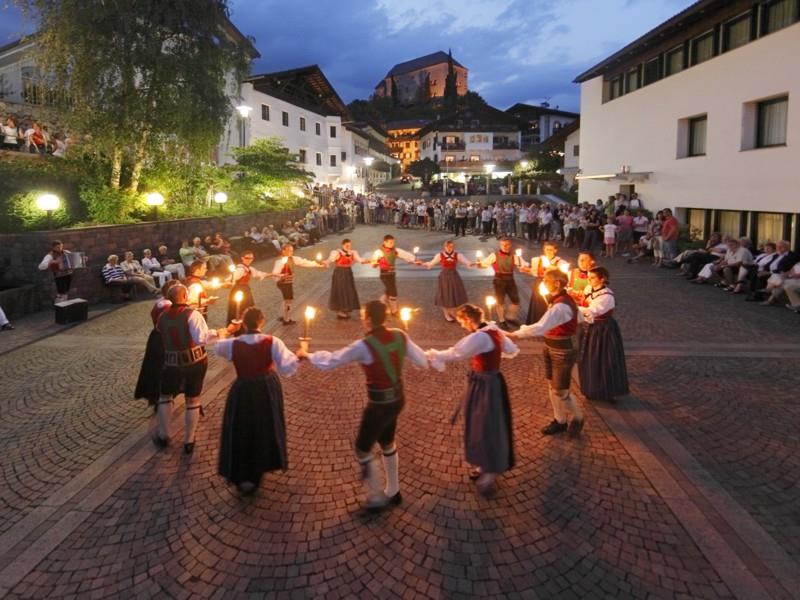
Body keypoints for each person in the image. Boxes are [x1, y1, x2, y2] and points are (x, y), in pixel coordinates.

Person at [299, 300, 428, 511]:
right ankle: (393, 491)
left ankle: (378, 497)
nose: (361, 319)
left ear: (368, 320)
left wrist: (307, 355)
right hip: (397, 399)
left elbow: (332, 360)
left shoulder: (364, 346)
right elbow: (422, 361)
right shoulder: (400, 335)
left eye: (362, 317)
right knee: (387, 442)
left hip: (378, 405)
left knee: (362, 449)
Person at [427, 304, 519, 496]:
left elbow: (455, 353)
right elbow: (510, 349)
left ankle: (491, 470)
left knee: (486, 425)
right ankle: (484, 465)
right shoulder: (493, 329)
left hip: (486, 385)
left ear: (469, 319)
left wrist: (432, 354)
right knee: (479, 423)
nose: (462, 326)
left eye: (462, 322)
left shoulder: (480, 336)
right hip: (490, 382)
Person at [216, 307, 299, 495]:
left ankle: (244, 473)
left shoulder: (233, 344)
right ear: (262, 321)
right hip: (266, 389)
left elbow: (218, 348)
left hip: (243, 388)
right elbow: (287, 367)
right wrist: (300, 355)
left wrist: (225, 332)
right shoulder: (273, 342)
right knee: (265, 426)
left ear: (244, 323)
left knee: (242, 427)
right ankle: (261, 465)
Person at [153, 284, 237, 453]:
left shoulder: (162, 316)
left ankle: (164, 434)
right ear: (184, 297)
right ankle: (188, 440)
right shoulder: (193, 314)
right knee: (192, 399)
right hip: (194, 362)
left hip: (170, 363)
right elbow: (201, 338)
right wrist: (222, 332)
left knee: (165, 396)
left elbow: (159, 330)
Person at [508, 270, 584, 436]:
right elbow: (579, 317)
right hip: (551, 346)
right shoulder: (558, 302)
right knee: (552, 386)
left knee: (560, 390)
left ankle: (578, 417)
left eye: (546, 280)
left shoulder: (561, 306)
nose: (543, 283)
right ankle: (560, 420)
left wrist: (515, 335)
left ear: (557, 283)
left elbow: (541, 327)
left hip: (563, 350)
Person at [578, 267, 629, 403]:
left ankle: (608, 391)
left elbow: (591, 311)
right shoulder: (589, 289)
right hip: (591, 328)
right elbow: (584, 302)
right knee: (590, 359)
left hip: (604, 330)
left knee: (606, 359)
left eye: (593, 277)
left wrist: (571, 306)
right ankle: (591, 388)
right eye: (589, 277)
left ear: (602, 279)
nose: (589, 280)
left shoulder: (606, 296)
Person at [134, 280, 179, 410]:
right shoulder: (166, 306)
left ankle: (160, 396)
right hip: (163, 339)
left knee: (155, 367)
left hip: (156, 338)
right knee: (161, 368)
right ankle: (162, 397)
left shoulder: (161, 303)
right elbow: (169, 323)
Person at [475, 236, 523, 330]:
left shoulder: (514, 255)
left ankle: (510, 317)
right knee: (500, 301)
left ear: (510, 245)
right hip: (499, 280)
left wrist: (524, 266)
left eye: (507, 244)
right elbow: (484, 264)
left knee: (516, 300)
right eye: (503, 244)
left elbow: (521, 265)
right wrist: (479, 263)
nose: (505, 246)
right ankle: (502, 320)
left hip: (510, 279)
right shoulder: (494, 255)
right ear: (500, 245)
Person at [271, 244, 325, 324]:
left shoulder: (293, 259)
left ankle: (282, 315)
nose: (291, 252)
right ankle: (286, 319)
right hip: (283, 283)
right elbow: (274, 274)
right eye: (289, 250)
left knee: (287, 299)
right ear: (283, 251)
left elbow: (304, 262)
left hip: (288, 282)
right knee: (288, 300)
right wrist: (281, 277)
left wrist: (317, 264)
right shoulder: (279, 261)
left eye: (292, 251)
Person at [371, 235, 420, 316]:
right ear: (385, 242)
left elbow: (405, 255)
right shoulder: (379, 252)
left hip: (392, 274)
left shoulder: (395, 251)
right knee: (393, 292)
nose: (392, 244)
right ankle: (394, 311)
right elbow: (373, 263)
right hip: (384, 275)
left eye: (393, 242)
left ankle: (380, 304)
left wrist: (415, 260)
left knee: (388, 291)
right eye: (390, 242)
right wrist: (375, 263)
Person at [424, 239, 472, 322]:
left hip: (454, 276)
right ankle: (446, 313)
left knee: (455, 294)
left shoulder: (457, 255)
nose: (449, 248)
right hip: (444, 277)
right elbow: (431, 263)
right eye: (448, 247)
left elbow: (467, 262)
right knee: (445, 295)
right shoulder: (440, 255)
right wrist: (422, 263)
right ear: (444, 247)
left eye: (451, 247)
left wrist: (474, 263)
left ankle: (454, 312)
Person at [524, 241, 567, 326]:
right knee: (538, 305)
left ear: (555, 250)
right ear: (544, 250)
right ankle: (537, 324)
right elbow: (535, 273)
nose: (549, 252)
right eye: (547, 249)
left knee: (551, 304)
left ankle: (550, 325)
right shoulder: (538, 260)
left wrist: (555, 269)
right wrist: (527, 271)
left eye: (551, 250)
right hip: (540, 284)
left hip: (553, 286)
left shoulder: (560, 262)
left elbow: (564, 276)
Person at [326, 239, 369, 319]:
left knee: (348, 290)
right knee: (340, 290)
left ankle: (345, 309)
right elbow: (330, 259)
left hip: (348, 273)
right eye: (347, 245)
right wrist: (326, 262)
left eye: (349, 245)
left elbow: (359, 259)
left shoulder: (352, 253)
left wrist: (366, 261)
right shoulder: (337, 253)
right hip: (339, 273)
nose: (348, 247)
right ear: (343, 245)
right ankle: (340, 311)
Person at [226, 250, 270, 326]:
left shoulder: (249, 268)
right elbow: (231, 279)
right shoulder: (240, 269)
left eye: (251, 258)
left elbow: (259, 274)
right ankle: (239, 327)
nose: (249, 260)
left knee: (247, 308)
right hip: (238, 290)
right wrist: (228, 281)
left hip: (246, 290)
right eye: (247, 258)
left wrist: (275, 274)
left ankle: (247, 325)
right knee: (238, 309)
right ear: (242, 258)